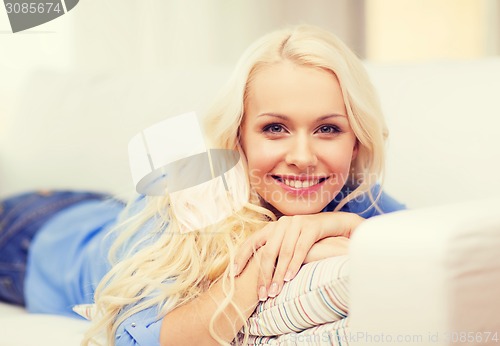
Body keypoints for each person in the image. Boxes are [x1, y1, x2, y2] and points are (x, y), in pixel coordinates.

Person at [0, 24, 405, 346]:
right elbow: (134, 338)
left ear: (356, 143)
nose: (302, 156)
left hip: (107, 210)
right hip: (30, 235)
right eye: (275, 128)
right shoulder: (192, 195)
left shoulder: (352, 195)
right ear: (238, 138)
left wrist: (346, 228)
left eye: (328, 128)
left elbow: (434, 249)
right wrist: (266, 263)